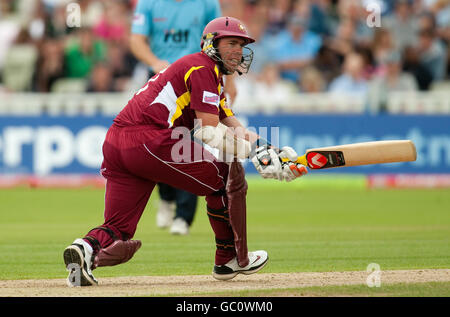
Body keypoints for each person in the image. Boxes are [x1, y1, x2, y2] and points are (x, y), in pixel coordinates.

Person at [63, 16, 307, 287]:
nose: (239, 50)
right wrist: (253, 153)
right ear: (211, 43)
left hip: (116, 142)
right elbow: (208, 132)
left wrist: (272, 151)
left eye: (242, 45)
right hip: (148, 138)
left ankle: (83, 249)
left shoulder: (209, 77)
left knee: (119, 227)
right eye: (233, 43)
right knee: (223, 178)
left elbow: (235, 126)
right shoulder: (202, 68)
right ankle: (229, 259)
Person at [129, 0, 238, 235]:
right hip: (162, 76)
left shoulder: (207, 3)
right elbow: (136, 40)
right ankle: (166, 196)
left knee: (192, 145)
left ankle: (183, 217)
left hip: (199, 74)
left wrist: (230, 80)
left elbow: (221, 38)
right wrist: (154, 62)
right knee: (158, 142)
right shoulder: (149, 3)